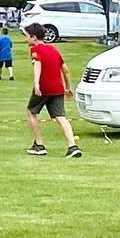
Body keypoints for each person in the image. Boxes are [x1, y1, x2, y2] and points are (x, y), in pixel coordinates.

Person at [25, 23, 81, 157]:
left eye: (27, 36)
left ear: (34, 37)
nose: (26, 39)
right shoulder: (53, 49)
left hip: (44, 87)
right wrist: (68, 87)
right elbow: (66, 70)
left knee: (31, 112)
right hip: (58, 88)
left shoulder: (35, 49)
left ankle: (39, 144)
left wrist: (36, 83)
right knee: (61, 117)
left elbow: (37, 64)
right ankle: (72, 146)